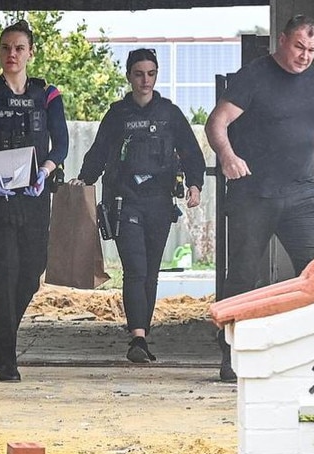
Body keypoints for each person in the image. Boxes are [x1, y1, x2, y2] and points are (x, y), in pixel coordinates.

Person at [205, 14, 314, 381]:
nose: (305, 56)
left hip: (302, 194)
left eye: (312, 50)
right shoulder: (254, 76)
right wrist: (228, 156)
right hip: (254, 194)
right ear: (282, 41)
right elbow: (216, 122)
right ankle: (232, 355)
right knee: (242, 276)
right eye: (299, 46)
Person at [71, 48, 206, 363]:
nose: (145, 80)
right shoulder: (118, 114)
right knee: (136, 269)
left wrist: (194, 183)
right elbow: (99, 150)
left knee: (151, 273)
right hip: (124, 200)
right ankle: (138, 339)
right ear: (129, 76)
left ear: (156, 75)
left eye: (151, 73)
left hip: (159, 201)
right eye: (138, 73)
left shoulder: (169, 113)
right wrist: (83, 181)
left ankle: (143, 331)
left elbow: (190, 150)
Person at [0, 20, 69, 382]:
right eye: (6, 47)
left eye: (19, 48)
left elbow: (62, 143)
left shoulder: (47, 94)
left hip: (34, 197)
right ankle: (5, 355)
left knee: (32, 271)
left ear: (31, 53)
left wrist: (46, 170)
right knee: (4, 270)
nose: (12, 54)